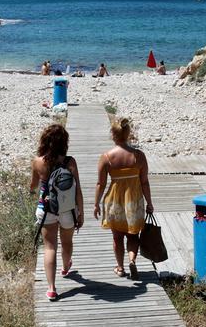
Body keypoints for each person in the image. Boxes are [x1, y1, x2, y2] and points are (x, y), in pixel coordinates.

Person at [95, 117, 153, 279]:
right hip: (134, 201)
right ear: (128, 134)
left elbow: (100, 183)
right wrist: (149, 202)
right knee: (133, 235)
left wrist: (96, 204)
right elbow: (145, 182)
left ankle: (120, 268)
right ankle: (132, 260)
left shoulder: (106, 157)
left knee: (117, 236)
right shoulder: (139, 156)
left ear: (113, 134)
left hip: (114, 201)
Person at [31, 123, 84, 300]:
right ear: (64, 142)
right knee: (67, 242)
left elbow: (33, 186)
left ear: (44, 141)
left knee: (49, 247)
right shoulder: (70, 162)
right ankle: (66, 267)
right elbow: (77, 189)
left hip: (46, 209)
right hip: (67, 209)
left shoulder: (38, 162)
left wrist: (33, 189)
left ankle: (52, 288)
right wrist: (80, 212)